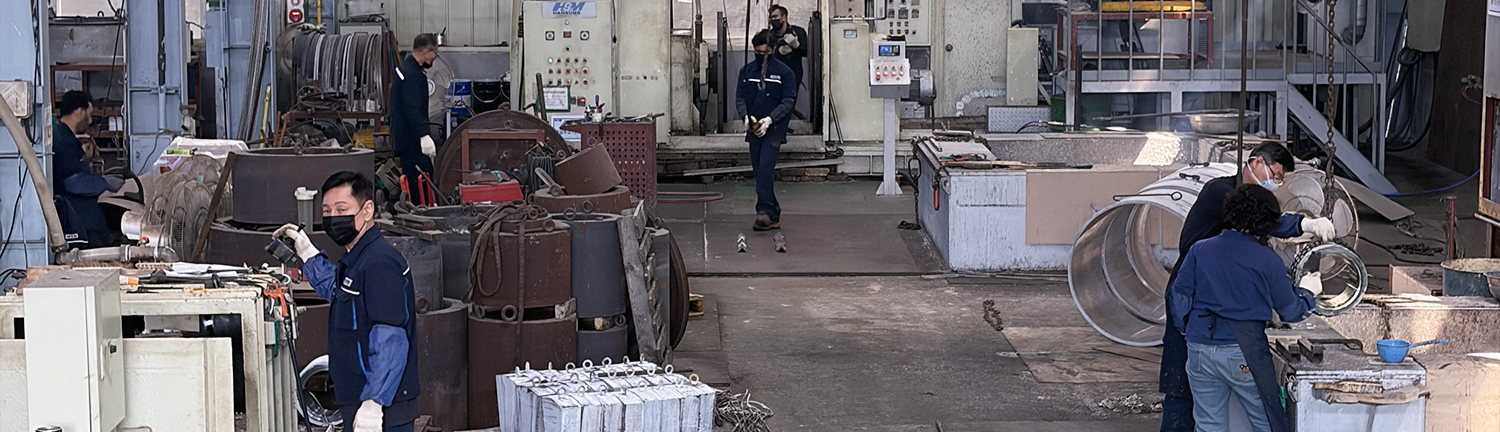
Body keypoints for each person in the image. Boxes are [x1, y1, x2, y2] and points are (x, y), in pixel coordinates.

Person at [1157, 142, 1336, 432]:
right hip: (1239, 346)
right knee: (1264, 418)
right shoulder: (1222, 196)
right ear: (1255, 162)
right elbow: (1290, 310)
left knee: (1207, 421)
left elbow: (1179, 296)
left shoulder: (1201, 250)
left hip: (1200, 334)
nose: (1275, 182)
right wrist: (1307, 291)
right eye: (1274, 175)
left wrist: (1191, 327)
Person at [275, 172, 420, 432]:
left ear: (367, 210)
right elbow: (338, 291)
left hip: (384, 408)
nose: (333, 218)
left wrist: (374, 403)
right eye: (327, 211)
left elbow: (391, 337)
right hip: (357, 398)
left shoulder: (380, 264)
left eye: (341, 209)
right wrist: (307, 252)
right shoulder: (356, 260)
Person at [736, 30, 797, 231]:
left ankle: (764, 212)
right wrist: (746, 117)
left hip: (774, 128)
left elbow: (788, 101)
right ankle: (772, 212)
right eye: (758, 53)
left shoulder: (785, 73)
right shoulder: (746, 72)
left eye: (765, 53)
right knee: (758, 170)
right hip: (754, 128)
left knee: (765, 169)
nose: (762, 57)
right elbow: (740, 98)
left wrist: (770, 120)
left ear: (773, 50)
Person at [52, 90, 123, 248]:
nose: (89, 121)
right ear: (80, 111)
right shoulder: (64, 141)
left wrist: (85, 157)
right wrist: (106, 184)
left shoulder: (64, 135)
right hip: (73, 208)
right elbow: (73, 182)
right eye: (88, 115)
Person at [389, 34, 440, 206]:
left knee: (415, 177)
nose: (434, 57)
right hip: (412, 140)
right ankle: (421, 211)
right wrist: (423, 135)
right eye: (434, 53)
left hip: (406, 139)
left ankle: (418, 208)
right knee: (422, 178)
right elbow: (413, 108)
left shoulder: (406, 69)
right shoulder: (412, 75)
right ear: (427, 51)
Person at [768, 5, 808, 117]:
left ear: (784, 17)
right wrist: (777, 51)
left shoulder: (798, 32)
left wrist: (796, 46)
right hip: (775, 75)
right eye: (771, 17)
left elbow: (807, 52)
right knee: (774, 105)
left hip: (794, 75)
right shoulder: (769, 35)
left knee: (789, 103)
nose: (773, 20)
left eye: (775, 16)